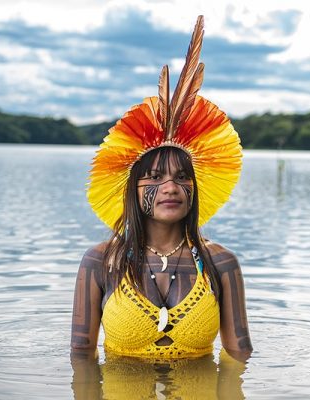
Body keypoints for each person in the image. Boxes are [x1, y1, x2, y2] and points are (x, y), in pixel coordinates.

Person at [71, 15, 252, 363]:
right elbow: (81, 356)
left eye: (182, 177)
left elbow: (239, 357)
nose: (171, 187)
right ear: (133, 190)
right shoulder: (101, 262)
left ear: (194, 189)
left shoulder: (221, 263)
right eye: (154, 178)